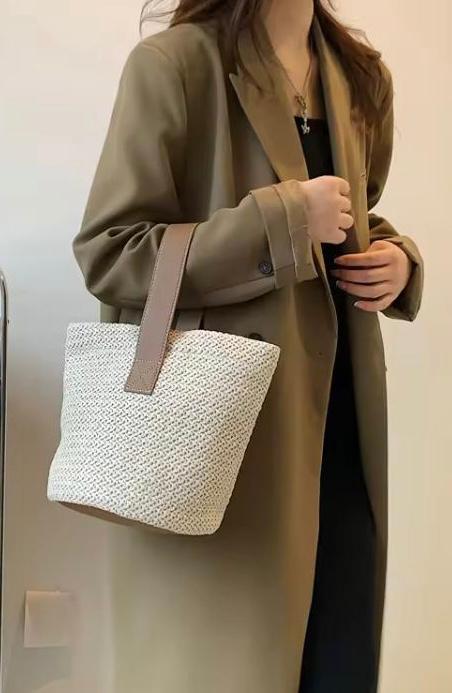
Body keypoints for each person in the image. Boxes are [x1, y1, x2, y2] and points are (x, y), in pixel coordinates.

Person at [72, 0, 424, 691]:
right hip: (228, 444)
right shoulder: (174, 66)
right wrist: (283, 219)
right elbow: (113, 253)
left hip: (342, 432)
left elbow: (355, 210)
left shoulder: (359, 77)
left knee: (340, 660)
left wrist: (399, 257)